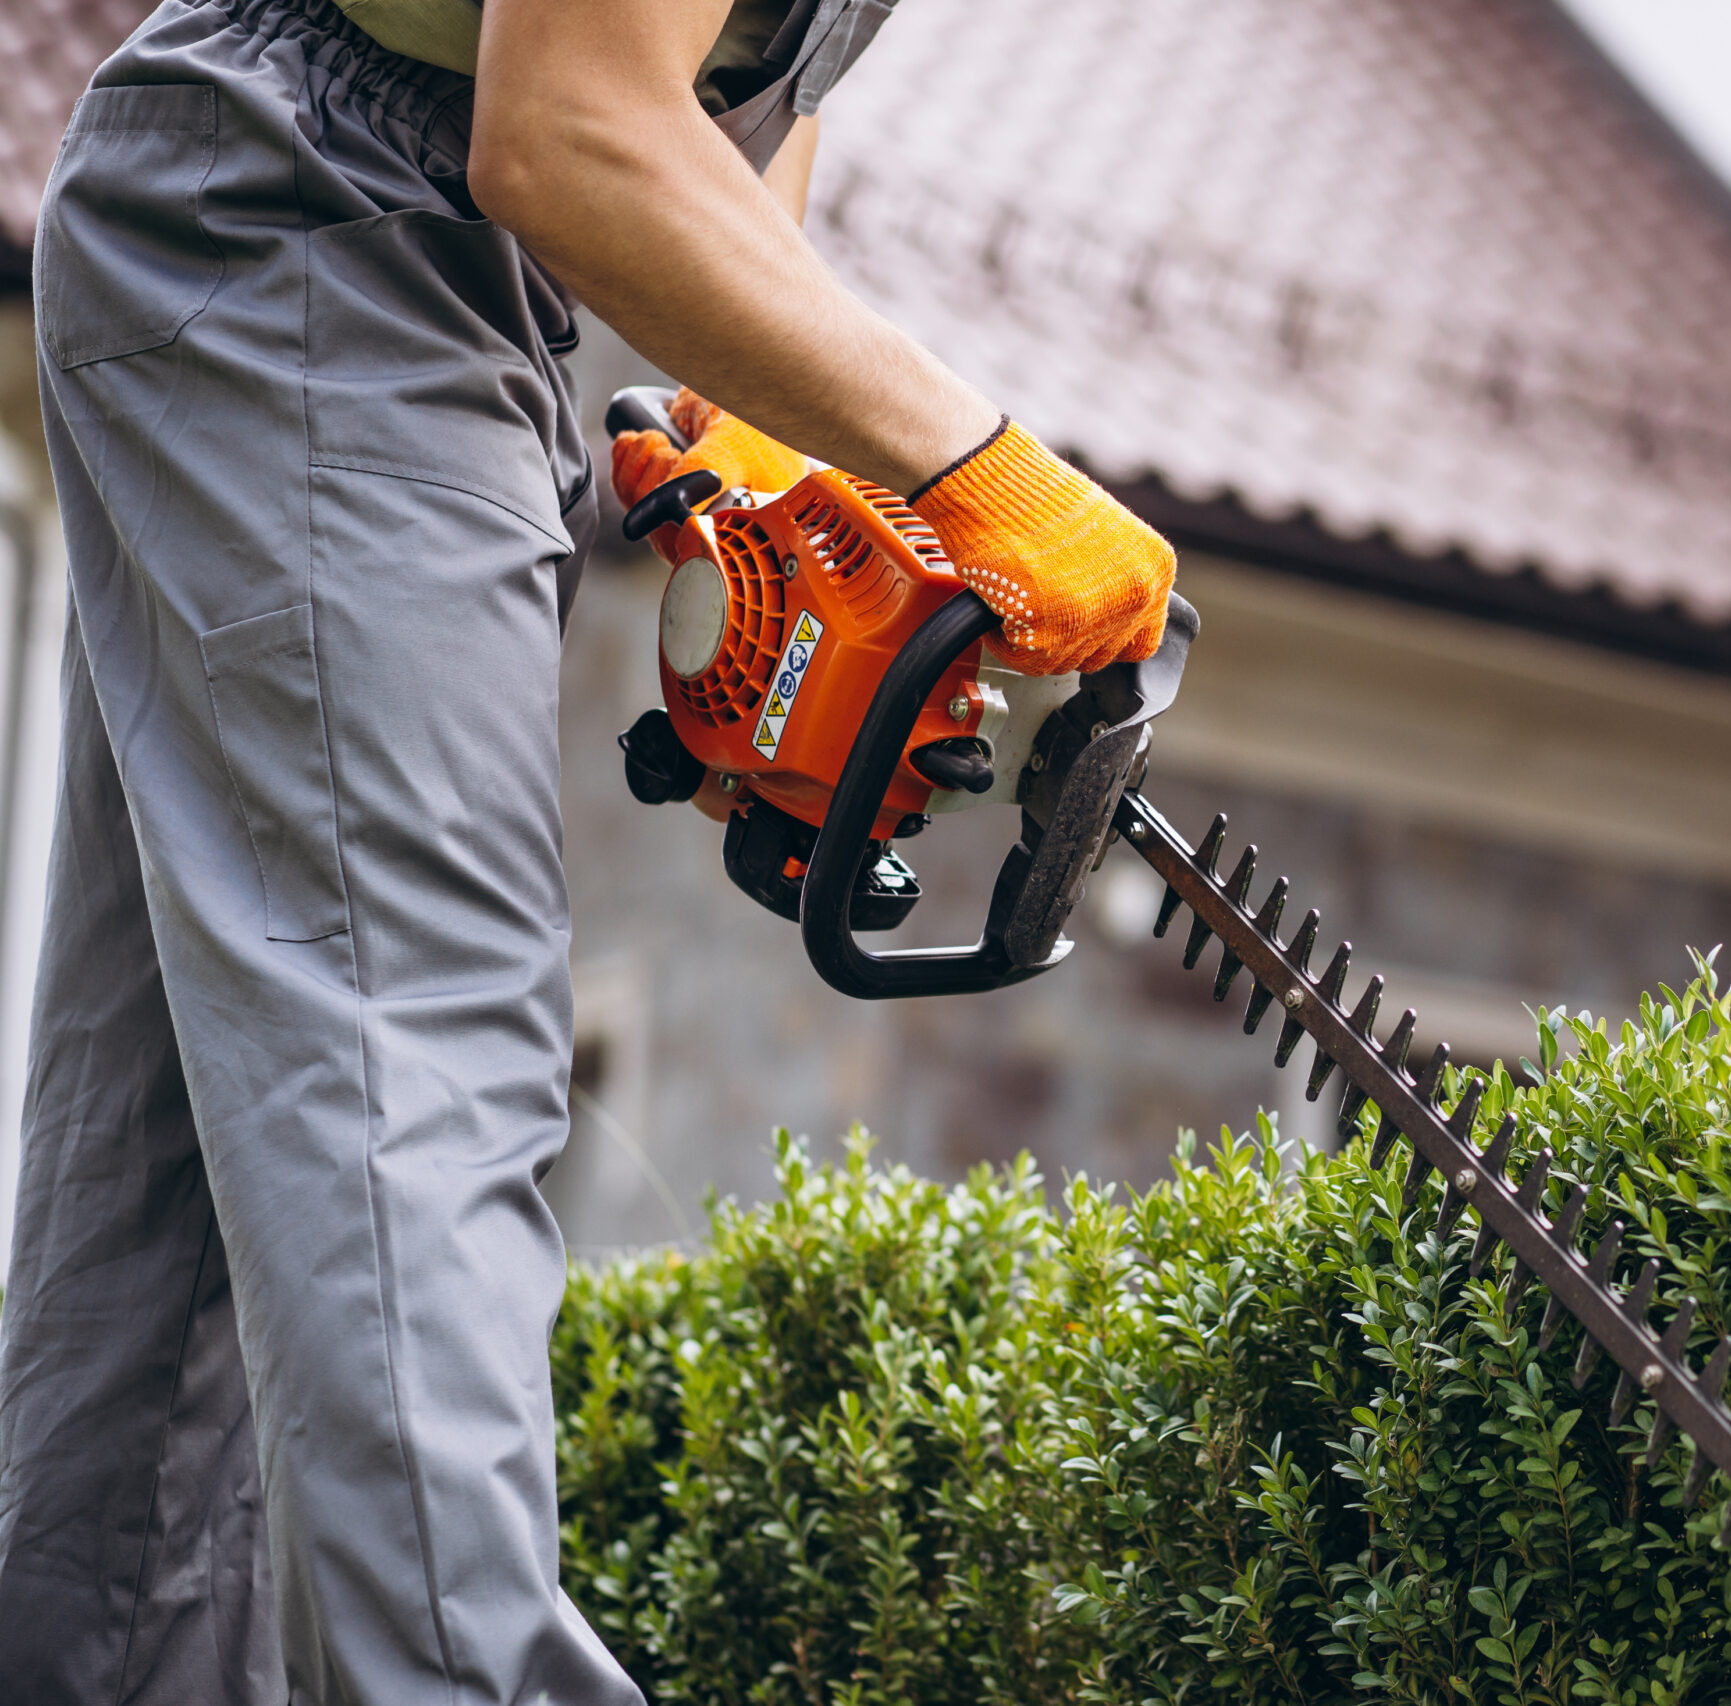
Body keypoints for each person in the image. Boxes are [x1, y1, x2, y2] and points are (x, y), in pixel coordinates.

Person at [0, 0, 1177, 1698]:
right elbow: (564, 125)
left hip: (375, 252)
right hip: (311, 217)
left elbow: (740, 109)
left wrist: (764, 447)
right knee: (417, 1087)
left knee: (173, 1183)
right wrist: (976, 464)